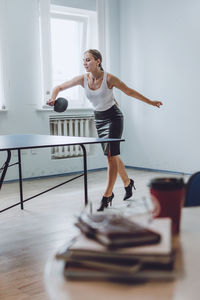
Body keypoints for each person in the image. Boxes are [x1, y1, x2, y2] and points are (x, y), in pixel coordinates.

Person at [48, 49, 163, 212]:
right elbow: (58, 86)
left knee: (110, 157)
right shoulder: (83, 79)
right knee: (113, 155)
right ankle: (128, 183)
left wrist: (150, 102)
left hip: (114, 118)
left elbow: (129, 91)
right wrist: (53, 98)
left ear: (98, 61)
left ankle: (107, 195)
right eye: (84, 60)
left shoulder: (109, 78)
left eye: (88, 60)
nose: (85, 63)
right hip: (99, 120)